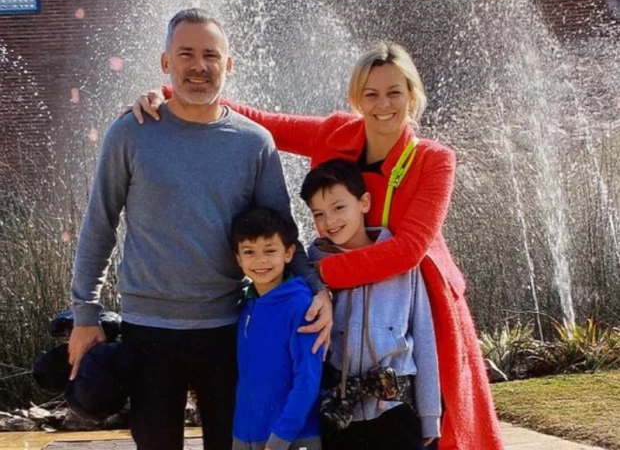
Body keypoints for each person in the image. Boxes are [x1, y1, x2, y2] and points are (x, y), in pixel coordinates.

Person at [132, 41, 503, 450]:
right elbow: (264, 123)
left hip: (412, 300)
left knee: (434, 430)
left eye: (394, 92)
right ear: (356, 98)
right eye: (371, 94)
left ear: (412, 95)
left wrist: (314, 275)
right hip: (341, 309)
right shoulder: (336, 133)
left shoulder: (434, 159)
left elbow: (409, 250)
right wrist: (173, 97)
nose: (383, 105)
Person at [68, 8, 332, 450]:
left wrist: (317, 289)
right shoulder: (130, 134)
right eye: (186, 53)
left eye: (210, 55)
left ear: (228, 64)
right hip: (148, 330)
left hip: (228, 329)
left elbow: (283, 233)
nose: (199, 65)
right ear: (165, 62)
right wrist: (85, 314)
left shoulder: (254, 143)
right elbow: (99, 225)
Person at [301, 159, 441, 450]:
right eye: (319, 214)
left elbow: (424, 335)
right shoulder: (313, 271)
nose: (330, 221)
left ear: (364, 202)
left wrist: (430, 415)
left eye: (339, 207)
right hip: (338, 415)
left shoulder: (401, 261)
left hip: (396, 411)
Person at [231, 207, 323, 450]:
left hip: (292, 438)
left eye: (270, 250)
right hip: (246, 436)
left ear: (289, 252)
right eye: (249, 252)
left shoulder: (301, 307)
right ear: (238, 259)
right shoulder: (247, 306)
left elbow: (307, 379)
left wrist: (281, 437)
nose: (260, 260)